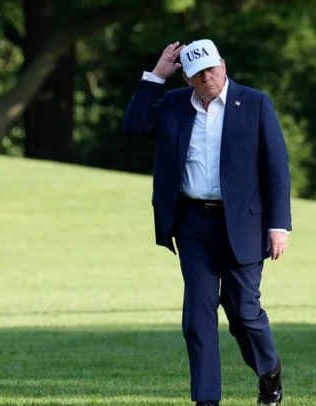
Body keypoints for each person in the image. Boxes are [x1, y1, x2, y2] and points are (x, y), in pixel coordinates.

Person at [122, 39, 291, 405]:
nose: (207, 78)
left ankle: (269, 370)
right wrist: (156, 76)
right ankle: (206, 399)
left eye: (212, 69)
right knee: (198, 316)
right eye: (197, 74)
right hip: (193, 223)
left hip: (243, 224)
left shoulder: (255, 103)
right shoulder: (174, 104)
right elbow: (134, 124)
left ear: (223, 66)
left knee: (243, 312)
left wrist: (279, 226)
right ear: (186, 78)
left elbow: (276, 167)